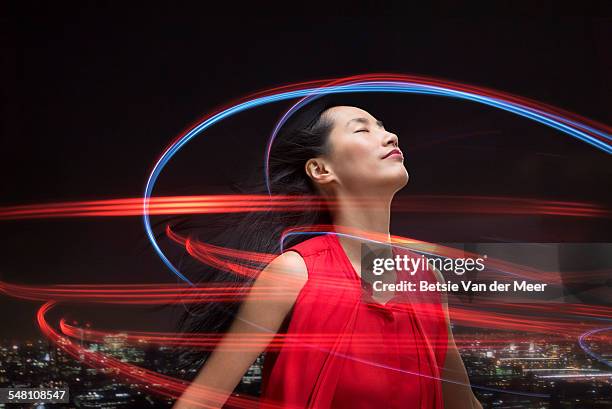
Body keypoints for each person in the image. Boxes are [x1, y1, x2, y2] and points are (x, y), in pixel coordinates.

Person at [171, 94, 482, 409]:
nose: (390, 136)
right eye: (362, 130)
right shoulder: (294, 274)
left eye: (383, 127)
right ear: (321, 169)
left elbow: (462, 402)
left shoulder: (426, 279)